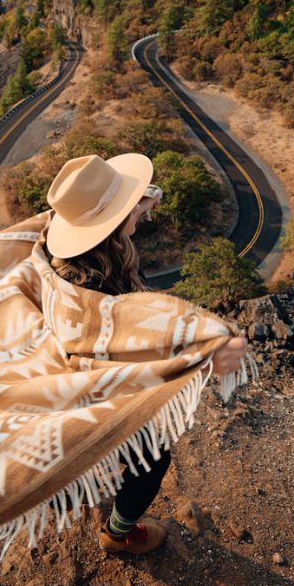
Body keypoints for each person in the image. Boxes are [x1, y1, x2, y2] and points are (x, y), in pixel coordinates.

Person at [42, 151, 248, 557]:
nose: (139, 217)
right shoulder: (100, 301)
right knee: (153, 458)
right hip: (91, 404)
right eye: (129, 211)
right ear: (115, 225)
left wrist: (141, 199)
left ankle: (68, 488)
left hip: (56, 392)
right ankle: (116, 534)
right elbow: (147, 343)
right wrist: (209, 348)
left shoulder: (58, 257)